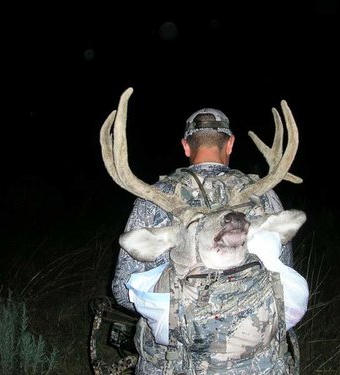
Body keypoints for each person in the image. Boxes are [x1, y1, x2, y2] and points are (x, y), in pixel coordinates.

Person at [111, 107, 301, 374]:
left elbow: (122, 290)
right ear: (231, 144)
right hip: (258, 366)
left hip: (172, 365)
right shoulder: (265, 197)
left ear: (186, 146)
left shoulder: (154, 198)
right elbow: (282, 278)